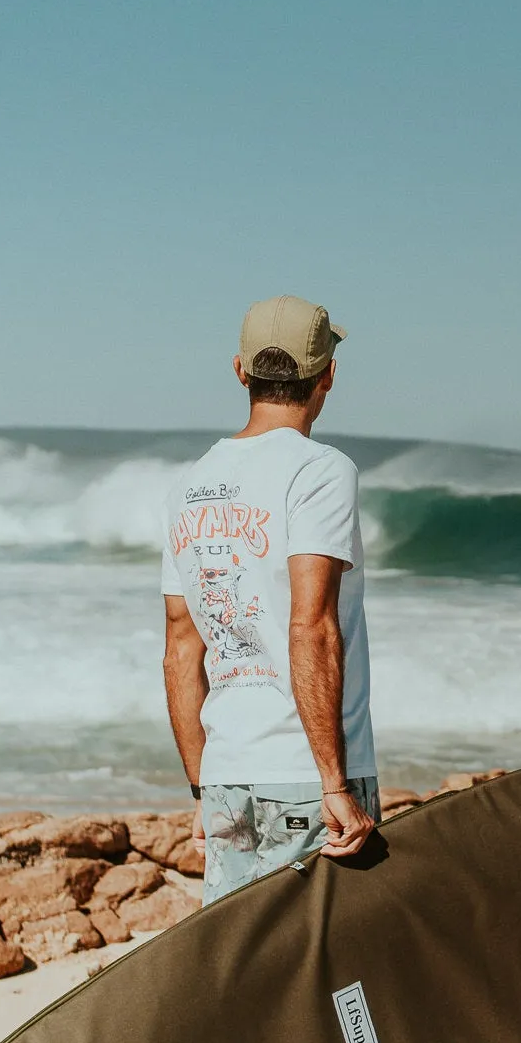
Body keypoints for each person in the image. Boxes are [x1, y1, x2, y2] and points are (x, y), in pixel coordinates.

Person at [161, 295, 380, 903]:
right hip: (306, 776)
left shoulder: (189, 485)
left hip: (226, 774)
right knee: (331, 969)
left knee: (246, 974)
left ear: (240, 371)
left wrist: (203, 788)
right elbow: (311, 626)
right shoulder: (320, 470)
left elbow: (182, 647)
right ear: (328, 375)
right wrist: (334, 783)